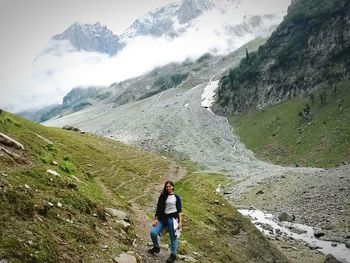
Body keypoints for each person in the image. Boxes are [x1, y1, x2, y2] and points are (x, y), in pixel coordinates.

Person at [148, 180, 183, 263]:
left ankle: (173, 255)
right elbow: (158, 208)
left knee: (173, 237)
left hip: (172, 219)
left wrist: (180, 222)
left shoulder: (176, 197)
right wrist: (155, 219)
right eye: (167, 187)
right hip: (162, 219)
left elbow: (179, 211)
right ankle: (156, 247)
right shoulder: (163, 196)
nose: (168, 188)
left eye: (170, 186)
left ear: (173, 187)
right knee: (153, 232)